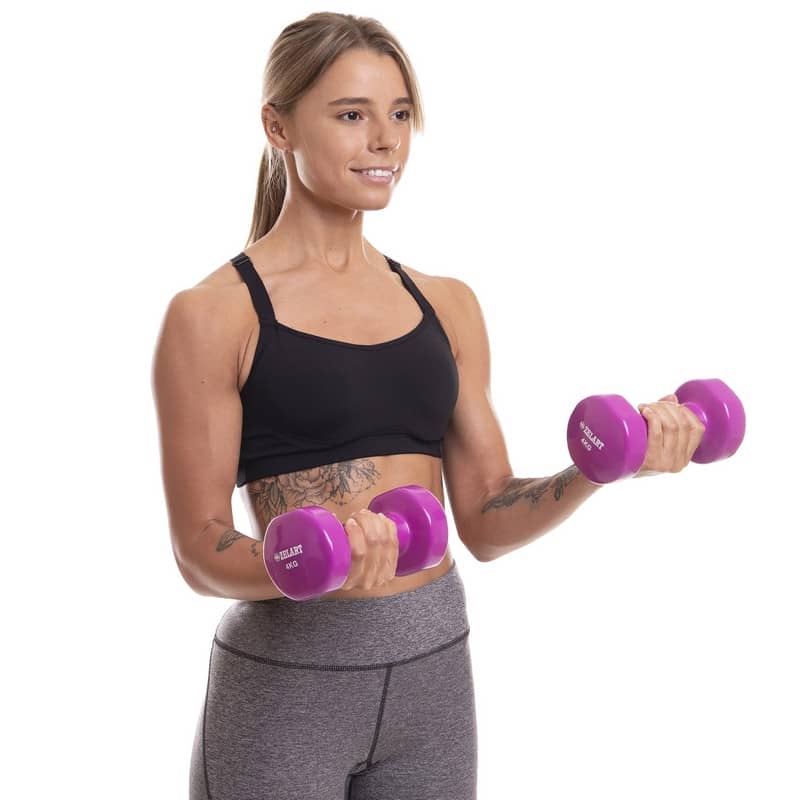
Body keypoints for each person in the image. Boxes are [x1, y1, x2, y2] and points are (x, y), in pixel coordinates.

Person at [151, 12, 706, 800]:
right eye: (352, 115)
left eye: (401, 113)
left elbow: (484, 517)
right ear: (278, 126)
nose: (386, 140)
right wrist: (310, 566)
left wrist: (601, 468)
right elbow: (198, 549)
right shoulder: (215, 314)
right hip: (290, 683)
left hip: (433, 669)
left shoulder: (447, 305)